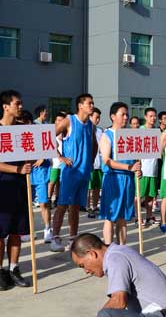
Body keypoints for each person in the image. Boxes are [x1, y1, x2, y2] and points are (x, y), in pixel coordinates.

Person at [0, 90, 31, 289]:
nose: (20, 106)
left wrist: (33, 160)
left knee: (17, 231)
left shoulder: (23, 129)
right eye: (16, 103)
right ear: (5, 107)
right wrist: (17, 169)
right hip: (1, 186)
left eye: (20, 103)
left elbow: (32, 152)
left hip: (20, 186)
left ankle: (13, 268)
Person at [71, 233, 166, 317]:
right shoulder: (119, 252)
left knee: (106, 314)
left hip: (163, 315)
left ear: (91, 254)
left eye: (82, 265)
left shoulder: (115, 257)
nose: (86, 271)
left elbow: (119, 302)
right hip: (163, 314)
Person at [50, 94, 98, 252]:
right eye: (89, 103)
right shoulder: (69, 121)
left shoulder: (90, 125)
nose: (92, 106)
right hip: (70, 172)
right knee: (62, 205)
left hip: (84, 172)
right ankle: (55, 238)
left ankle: (72, 239)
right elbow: (48, 137)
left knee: (76, 207)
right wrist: (60, 157)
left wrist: (90, 161)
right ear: (80, 105)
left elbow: (94, 145)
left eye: (92, 103)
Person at [99, 103, 141, 245]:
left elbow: (135, 159)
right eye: (122, 114)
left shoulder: (130, 135)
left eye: (127, 114)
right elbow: (106, 160)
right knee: (111, 216)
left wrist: (137, 169)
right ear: (113, 116)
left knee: (123, 217)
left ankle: (122, 248)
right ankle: (109, 247)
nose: (125, 117)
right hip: (113, 179)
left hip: (128, 179)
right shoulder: (107, 135)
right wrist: (129, 167)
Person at [137, 108, 158, 227]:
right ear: (145, 117)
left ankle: (149, 217)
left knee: (150, 196)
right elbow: (136, 151)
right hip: (143, 169)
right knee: (138, 196)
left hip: (153, 169)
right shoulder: (141, 130)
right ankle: (138, 218)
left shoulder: (156, 131)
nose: (153, 118)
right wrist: (138, 167)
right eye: (150, 116)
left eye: (154, 116)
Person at [48, 112, 67, 211]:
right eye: (58, 120)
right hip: (54, 163)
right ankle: (48, 199)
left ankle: (57, 199)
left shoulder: (66, 133)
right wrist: (59, 156)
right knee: (52, 181)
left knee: (60, 182)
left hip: (63, 164)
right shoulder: (51, 133)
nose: (59, 122)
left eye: (61, 120)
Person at [88, 107, 103, 219]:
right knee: (89, 188)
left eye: (99, 118)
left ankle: (94, 206)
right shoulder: (86, 129)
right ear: (90, 117)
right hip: (89, 164)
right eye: (96, 117)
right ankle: (87, 207)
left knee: (97, 187)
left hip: (99, 164)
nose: (98, 120)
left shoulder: (100, 131)